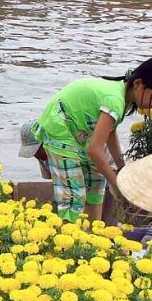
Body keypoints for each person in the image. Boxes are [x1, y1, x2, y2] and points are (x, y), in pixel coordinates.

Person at [33, 59, 152, 223]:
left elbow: (110, 133)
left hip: (80, 133)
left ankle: (92, 235)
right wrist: (116, 184)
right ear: (138, 83)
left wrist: (121, 168)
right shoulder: (115, 100)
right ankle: (68, 241)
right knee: (74, 195)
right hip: (59, 129)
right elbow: (94, 151)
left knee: (96, 182)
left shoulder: (122, 98)